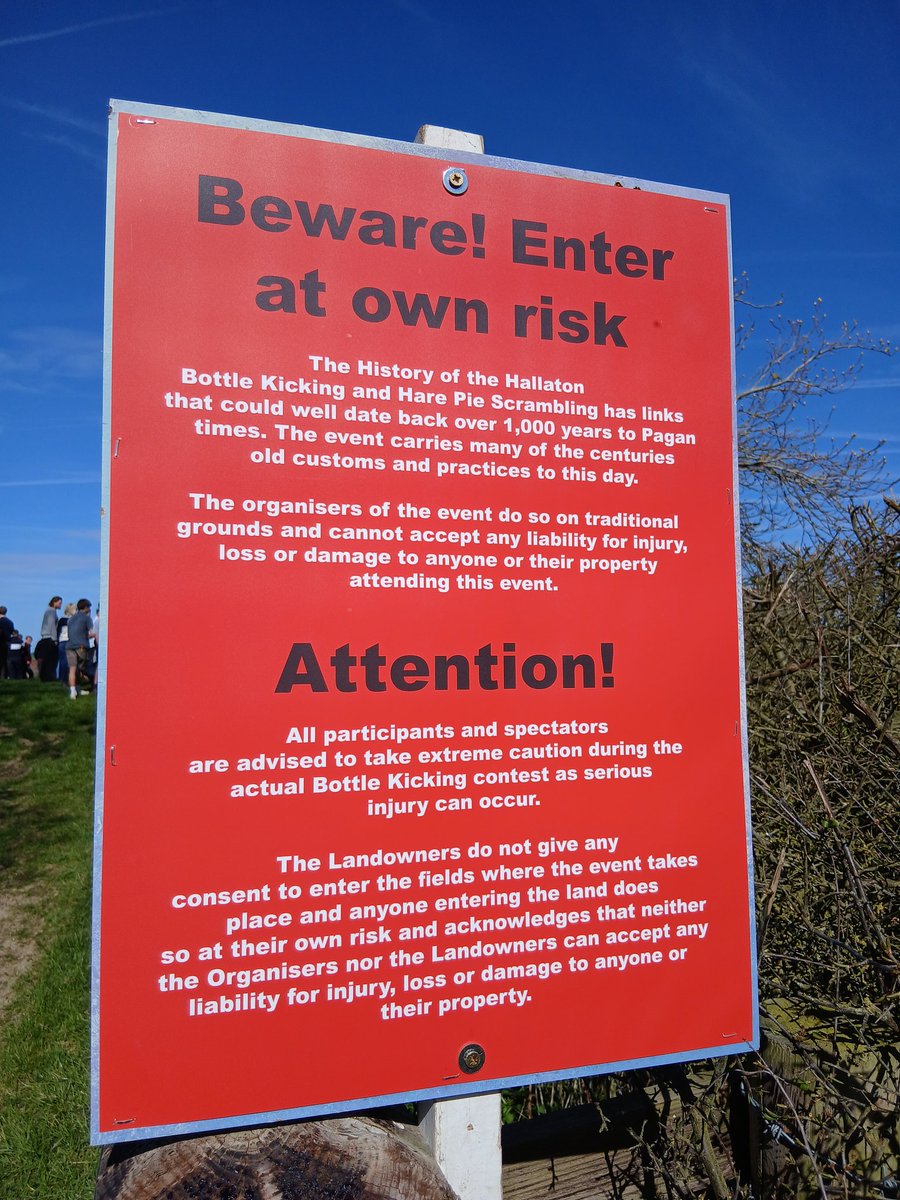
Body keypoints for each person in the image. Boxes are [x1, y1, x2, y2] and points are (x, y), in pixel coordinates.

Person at [66, 599, 94, 699]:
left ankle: (73, 691)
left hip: (69, 646)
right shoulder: (87, 619)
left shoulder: (71, 619)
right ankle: (82, 686)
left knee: (72, 669)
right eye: (89, 607)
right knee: (80, 669)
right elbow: (92, 633)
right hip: (81, 647)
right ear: (86, 607)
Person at [57, 603, 76, 681]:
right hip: (69, 641)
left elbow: (58, 631)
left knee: (63, 661)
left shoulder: (61, 620)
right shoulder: (73, 620)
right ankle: (68, 679)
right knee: (70, 662)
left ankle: (62, 678)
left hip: (62, 641)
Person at [0, 607, 14, 679]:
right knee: (5, 660)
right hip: (7, 643)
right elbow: (12, 632)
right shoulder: (10, 622)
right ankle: (5, 675)